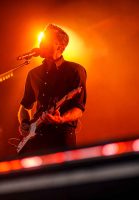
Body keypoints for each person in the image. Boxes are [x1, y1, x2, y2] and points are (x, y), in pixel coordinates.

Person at [17, 24, 87, 154]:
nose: (41, 43)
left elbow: (79, 108)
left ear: (60, 47)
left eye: (46, 40)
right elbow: (24, 106)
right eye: (41, 40)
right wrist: (25, 123)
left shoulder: (75, 71)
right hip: (36, 138)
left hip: (61, 138)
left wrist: (61, 119)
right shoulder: (33, 74)